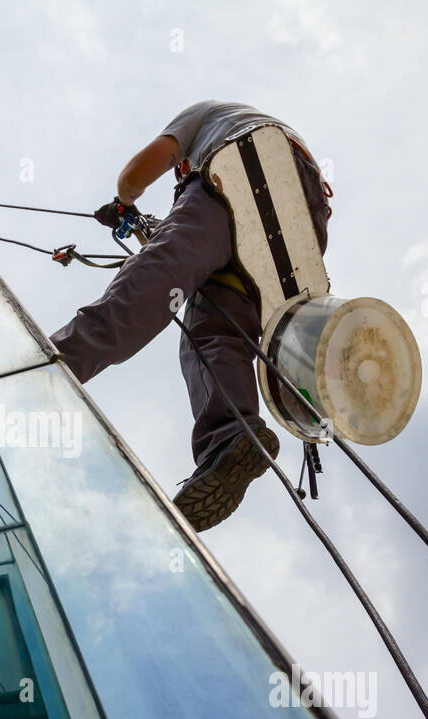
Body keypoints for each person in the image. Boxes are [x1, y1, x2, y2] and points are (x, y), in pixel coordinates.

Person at [49, 100, 332, 532]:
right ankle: (231, 437)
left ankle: (55, 360)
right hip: (298, 232)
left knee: (151, 281)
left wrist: (123, 201)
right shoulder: (281, 142)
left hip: (243, 170)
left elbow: (138, 173)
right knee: (212, 332)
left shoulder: (206, 117)